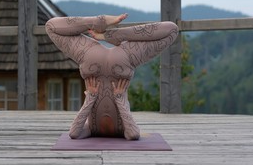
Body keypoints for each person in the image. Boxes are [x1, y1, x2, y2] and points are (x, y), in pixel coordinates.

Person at [45, 14, 178, 140]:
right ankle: (114, 35)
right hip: (122, 59)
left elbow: (74, 133)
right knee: (172, 30)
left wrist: (91, 97)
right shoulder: (123, 130)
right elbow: (133, 135)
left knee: (51, 26)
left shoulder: (91, 129)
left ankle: (98, 22)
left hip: (93, 58)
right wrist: (119, 98)